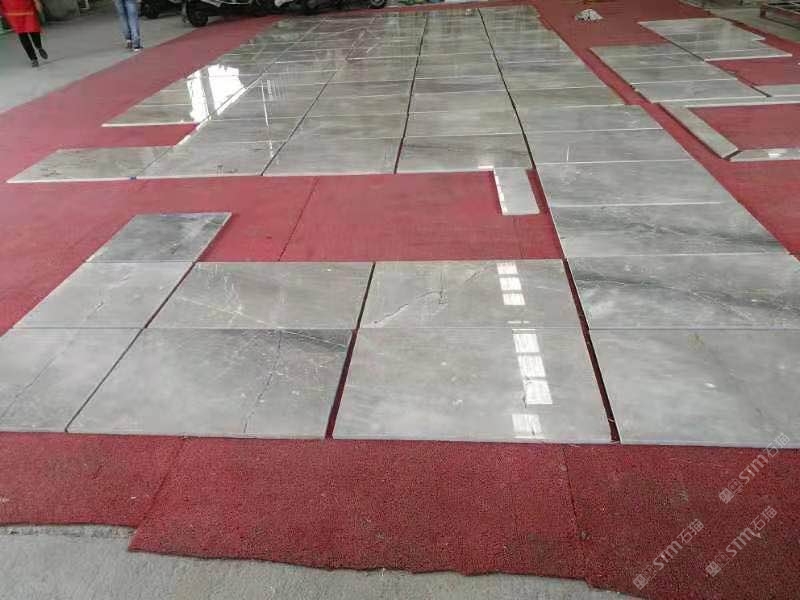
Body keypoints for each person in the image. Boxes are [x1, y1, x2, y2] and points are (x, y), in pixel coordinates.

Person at [0, 0, 49, 67]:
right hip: (14, 12)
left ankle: (39, 47)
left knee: (33, 30)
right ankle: (33, 58)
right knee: (23, 34)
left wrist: (36, 1)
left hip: (26, 9)